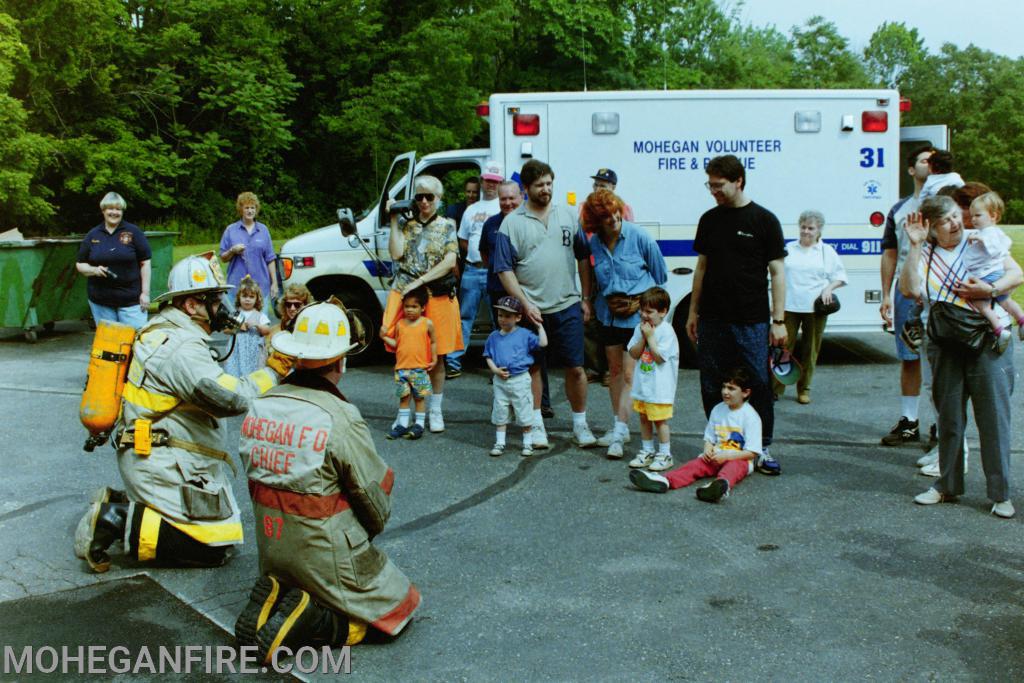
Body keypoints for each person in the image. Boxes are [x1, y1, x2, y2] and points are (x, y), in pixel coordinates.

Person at [74, 255, 293, 574]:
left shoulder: (168, 328)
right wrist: (275, 371)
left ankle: (124, 503)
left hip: (159, 454)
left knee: (224, 536)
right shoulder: (180, 348)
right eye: (216, 299)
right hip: (159, 461)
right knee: (209, 548)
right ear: (192, 306)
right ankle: (113, 519)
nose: (225, 306)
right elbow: (231, 398)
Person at [235, 301, 420, 662]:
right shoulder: (339, 415)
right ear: (341, 361)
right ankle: (313, 620)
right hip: (324, 552)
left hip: (272, 546)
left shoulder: (263, 404)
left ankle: (280, 593)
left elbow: (255, 480)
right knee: (400, 605)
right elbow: (372, 496)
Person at [900, 195, 1022, 519]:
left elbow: (1016, 273)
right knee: (949, 418)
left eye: (957, 216)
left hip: (987, 340)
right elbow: (910, 289)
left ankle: (1001, 493)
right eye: (945, 221)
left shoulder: (979, 239)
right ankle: (947, 486)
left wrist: (989, 291)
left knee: (994, 418)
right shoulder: (924, 253)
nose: (955, 224)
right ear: (930, 226)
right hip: (945, 342)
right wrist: (914, 246)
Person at [685, 154, 786, 476]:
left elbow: (778, 273)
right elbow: (701, 268)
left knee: (756, 381)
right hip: (713, 318)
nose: (712, 190)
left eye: (718, 185)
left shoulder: (764, 220)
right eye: (709, 184)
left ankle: (762, 445)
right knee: (712, 383)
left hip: (751, 319)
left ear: (738, 181)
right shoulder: (709, 219)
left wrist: (779, 321)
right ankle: (720, 446)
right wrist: (692, 312)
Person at [494, 159, 595, 448]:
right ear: (526, 189)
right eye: (540, 185)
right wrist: (525, 304)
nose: (546, 189)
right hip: (532, 309)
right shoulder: (511, 224)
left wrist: (585, 297)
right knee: (533, 369)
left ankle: (580, 425)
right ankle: (536, 425)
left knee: (576, 368)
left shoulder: (568, 215)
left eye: (550, 183)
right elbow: (504, 269)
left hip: (567, 305)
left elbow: (583, 258)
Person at [577, 189, 667, 459]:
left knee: (629, 374)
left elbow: (660, 275)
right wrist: (591, 300)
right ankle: (622, 423)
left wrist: (641, 302)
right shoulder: (594, 244)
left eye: (616, 212)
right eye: (606, 216)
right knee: (614, 371)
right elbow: (593, 277)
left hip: (635, 318)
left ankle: (618, 432)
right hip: (608, 315)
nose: (614, 218)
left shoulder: (639, 237)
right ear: (596, 221)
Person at [382, 175, 463, 433]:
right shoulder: (407, 225)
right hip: (407, 296)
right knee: (406, 355)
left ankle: (435, 410)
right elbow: (396, 253)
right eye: (419, 196)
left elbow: (450, 262)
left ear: (439, 199)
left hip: (436, 295)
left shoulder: (448, 226)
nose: (424, 201)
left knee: (438, 357)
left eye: (430, 196)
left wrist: (420, 282)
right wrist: (394, 219)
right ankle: (404, 411)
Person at [629, 367, 761, 503]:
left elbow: (752, 452)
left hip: (738, 459)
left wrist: (727, 456)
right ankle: (665, 481)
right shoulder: (718, 409)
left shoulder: (750, 416)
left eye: (731, 389)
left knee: (733, 469)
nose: (725, 392)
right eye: (724, 387)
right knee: (694, 466)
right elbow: (710, 438)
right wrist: (707, 449)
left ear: (745, 393)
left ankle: (719, 486)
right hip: (717, 456)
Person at [480, 180, 554, 420]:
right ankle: (507, 401)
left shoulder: (526, 221)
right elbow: (485, 254)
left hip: (525, 295)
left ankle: (541, 403)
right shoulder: (491, 225)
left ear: (521, 196)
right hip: (498, 293)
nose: (508, 203)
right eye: (503, 199)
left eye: (512, 198)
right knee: (502, 347)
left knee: (532, 349)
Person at [878, 145, 935, 448]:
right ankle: (909, 420)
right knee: (909, 355)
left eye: (934, 160)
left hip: (939, 291)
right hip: (906, 290)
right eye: (925, 160)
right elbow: (889, 254)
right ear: (912, 170)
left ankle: (941, 424)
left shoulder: (947, 206)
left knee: (940, 359)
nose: (931, 164)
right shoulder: (900, 209)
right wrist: (886, 295)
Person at [773, 210, 847, 404]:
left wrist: (829, 288)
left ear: (819, 230)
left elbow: (840, 277)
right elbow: (775, 274)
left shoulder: (826, 251)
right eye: (803, 227)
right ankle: (775, 387)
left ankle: (804, 389)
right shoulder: (788, 248)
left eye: (811, 228)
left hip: (815, 309)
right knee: (782, 348)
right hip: (788, 306)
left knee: (810, 349)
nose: (806, 231)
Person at [447, 161, 503, 378]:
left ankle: (501, 363)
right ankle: (453, 362)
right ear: (482, 181)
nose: (491, 185)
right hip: (471, 270)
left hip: (495, 272)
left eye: (495, 181)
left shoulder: (503, 207)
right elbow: (462, 240)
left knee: (499, 319)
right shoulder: (471, 210)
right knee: (463, 317)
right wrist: (474, 257)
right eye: (488, 180)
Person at [76, 192, 152, 329]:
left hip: (131, 300)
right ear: (103, 210)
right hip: (101, 301)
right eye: (110, 208)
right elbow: (80, 264)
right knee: (109, 346)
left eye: (118, 209)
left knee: (136, 342)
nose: (114, 212)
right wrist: (94, 270)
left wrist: (145, 293)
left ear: (122, 211)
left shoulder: (134, 232)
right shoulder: (93, 234)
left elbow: (145, 263)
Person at [484, 296, 547, 457]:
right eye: (500, 315)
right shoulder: (493, 337)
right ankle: (500, 443)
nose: (503, 320)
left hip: (520, 378)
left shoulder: (524, 334)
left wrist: (539, 327)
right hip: (501, 380)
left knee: (524, 410)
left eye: (508, 316)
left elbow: (543, 344)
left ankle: (527, 443)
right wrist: (495, 371)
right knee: (500, 411)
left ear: (518, 317)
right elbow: (488, 356)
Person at [624, 287, 679, 472]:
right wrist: (642, 337)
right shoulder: (639, 329)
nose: (644, 315)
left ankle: (665, 454)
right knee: (644, 418)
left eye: (649, 311)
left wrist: (650, 337)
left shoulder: (666, 331)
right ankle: (647, 450)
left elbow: (659, 357)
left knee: (660, 420)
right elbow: (633, 353)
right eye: (642, 310)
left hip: (660, 388)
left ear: (663, 312)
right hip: (643, 386)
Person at [965, 192, 1024, 344]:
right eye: (972, 216)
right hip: (995, 274)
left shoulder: (989, 232)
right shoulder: (991, 232)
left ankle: (998, 328)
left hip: (987, 274)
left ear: (993, 216)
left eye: (978, 215)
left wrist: (980, 238)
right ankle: (1021, 319)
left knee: (980, 304)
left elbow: (997, 248)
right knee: (1005, 301)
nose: (973, 219)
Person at [381, 287, 436, 440]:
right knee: (404, 398)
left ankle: (419, 425)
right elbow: (397, 344)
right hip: (402, 370)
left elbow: (433, 342)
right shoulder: (400, 325)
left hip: (419, 369)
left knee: (419, 398)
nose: (410, 310)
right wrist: (384, 337)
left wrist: (434, 358)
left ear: (423, 307)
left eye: (414, 306)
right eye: (407, 306)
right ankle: (403, 424)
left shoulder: (427, 323)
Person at [220, 192, 278, 313]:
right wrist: (232, 250)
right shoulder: (231, 230)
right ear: (241, 209)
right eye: (247, 207)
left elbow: (270, 258)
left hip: (261, 287)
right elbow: (223, 258)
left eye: (253, 208)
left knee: (261, 326)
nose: (250, 211)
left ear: (256, 210)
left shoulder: (263, 230)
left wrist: (274, 283)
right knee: (237, 327)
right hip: (236, 288)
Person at [223, 275, 272, 376]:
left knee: (254, 373)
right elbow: (225, 330)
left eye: (251, 297)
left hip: (253, 350)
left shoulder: (259, 315)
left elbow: (267, 330)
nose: (247, 299)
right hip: (236, 349)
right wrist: (236, 327)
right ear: (239, 297)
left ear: (257, 299)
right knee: (234, 371)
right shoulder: (235, 313)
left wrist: (257, 325)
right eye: (244, 296)